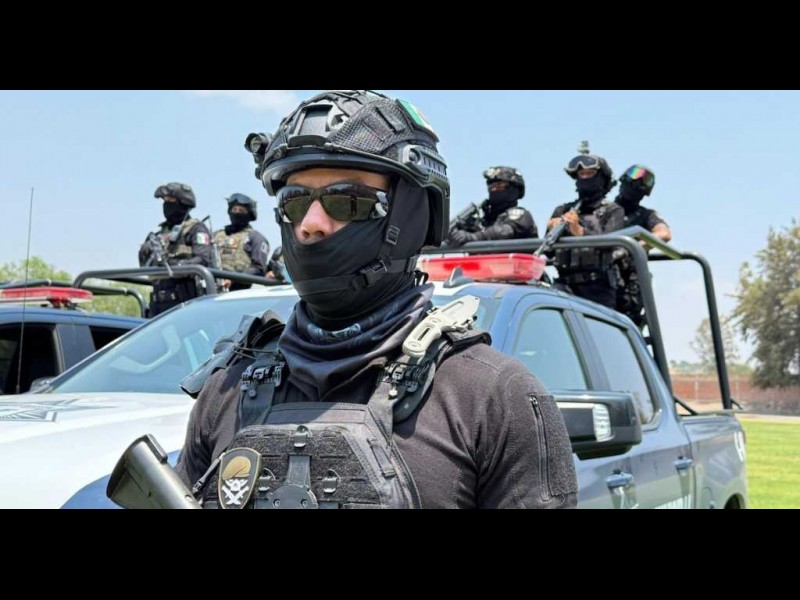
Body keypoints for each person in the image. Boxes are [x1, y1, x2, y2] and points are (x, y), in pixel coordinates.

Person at [175, 90, 577, 509]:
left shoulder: (492, 396)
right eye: (294, 202)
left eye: (346, 201)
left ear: (410, 216)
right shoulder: (228, 388)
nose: (310, 224)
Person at [547, 145, 625, 309]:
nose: (584, 178)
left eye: (590, 174)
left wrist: (580, 232)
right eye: (581, 174)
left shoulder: (613, 211)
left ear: (601, 178)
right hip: (564, 286)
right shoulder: (563, 210)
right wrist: (551, 230)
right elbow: (548, 251)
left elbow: (610, 243)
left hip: (598, 289)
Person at [138, 182, 213, 317]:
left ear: (183, 203)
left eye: (171, 200)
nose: (166, 204)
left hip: (184, 303)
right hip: (157, 303)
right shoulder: (158, 234)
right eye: (165, 201)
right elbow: (146, 267)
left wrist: (176, 266)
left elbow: (203, 259)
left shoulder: (196, 229)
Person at [614, 164, 671, 327]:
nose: (636, 184)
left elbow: (664, 234)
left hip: (629, 286)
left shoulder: (646, 215)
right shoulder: (603, 211)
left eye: (643, 181)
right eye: (633, 177)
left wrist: (634, 247)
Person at [446, 166, 537, 247]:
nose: (493, 189)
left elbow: (503, 232)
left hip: (514, 261)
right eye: (491, 186)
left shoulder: (522, 216)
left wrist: (473, 237)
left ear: (514, 189)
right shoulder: (484, 220)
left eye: (499, 185)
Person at [213, 193, 270, 291]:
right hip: (212, 287)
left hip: (240, 291)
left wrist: (233, 280)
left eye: (241, 210)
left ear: (249, 214)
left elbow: (259, 268)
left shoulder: (255, 238)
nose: (236, 213)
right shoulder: (217, 235)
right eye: (234, 209)